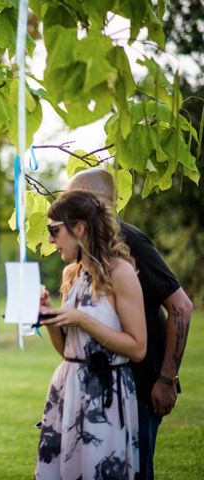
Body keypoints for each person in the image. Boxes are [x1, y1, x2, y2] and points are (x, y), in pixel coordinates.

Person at [68, 168, 193, 479]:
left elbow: (181, 306)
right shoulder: (86, 247)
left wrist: (166, 380)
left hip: (140, 385)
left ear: (91, 200)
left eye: (71, 198)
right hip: (103, 388)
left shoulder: (128, 241)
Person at [35, 190, 146, 480]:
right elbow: (68, 351)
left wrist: (83, 320)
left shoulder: (120, 272)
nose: (50, 240)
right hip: (69, 388)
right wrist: (48, 317)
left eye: (54, 231)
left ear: (80, 228)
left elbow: (137, 348)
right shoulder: (72, 274)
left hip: (106, 394)